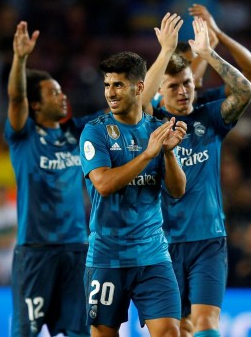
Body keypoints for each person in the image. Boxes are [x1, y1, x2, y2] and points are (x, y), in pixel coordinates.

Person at [142, 8, 251, 335]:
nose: (183, 91)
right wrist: (166, 51)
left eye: (188, 83)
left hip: (208, 239)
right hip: (162, 243)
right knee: (175, 329)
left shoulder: (210, 118)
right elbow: (138, 104)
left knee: (206, 324)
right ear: (161, 90)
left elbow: (246, 91)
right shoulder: (151, 123)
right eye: (174, 85)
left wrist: (208, 53)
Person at [79, 43, 190, 337]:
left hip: (152, 254)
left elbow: (177, 191)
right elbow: (102, 184)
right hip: (107, 256)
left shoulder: (157, 129)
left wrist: (166, 153)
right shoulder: (95, 131)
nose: (111, 92)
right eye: (107, 85)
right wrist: (147, 155)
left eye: (118, 84)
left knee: (169, 332)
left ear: (139, 87)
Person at [4, 20, 98, 337]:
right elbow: (15, 100)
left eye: (61, 91)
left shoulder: (78, 132)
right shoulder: (24, 136)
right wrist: (20, 59)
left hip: (77, 248)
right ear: (35, 104)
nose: (63, 97)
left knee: (79, 332)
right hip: (36, 250)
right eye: (54, 93)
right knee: (26, 332)